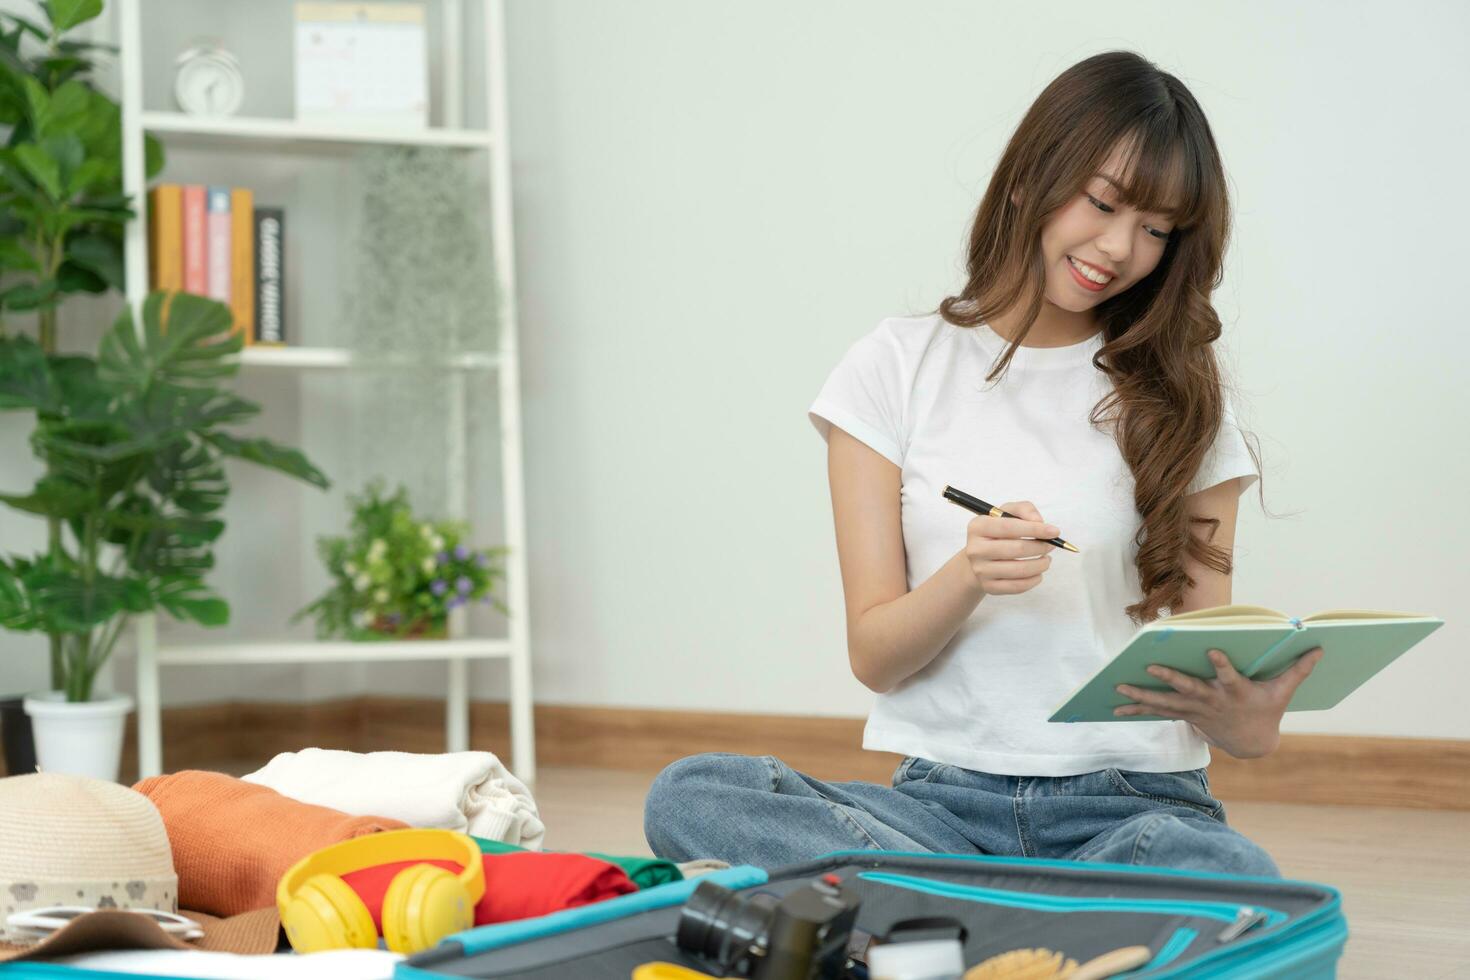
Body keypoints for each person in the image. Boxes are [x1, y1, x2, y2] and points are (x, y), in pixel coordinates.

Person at [643, 50, 1324, 878]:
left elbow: (1232, 718)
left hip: (1134, 808)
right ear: (1031, 177)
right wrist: (967, 574)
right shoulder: (891, 367)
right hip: (934, 810)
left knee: (1227, 871)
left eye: (1156, 229)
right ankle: (1025, 917)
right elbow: (875, 656)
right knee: (693, 793)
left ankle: (945, 923)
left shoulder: (1182, 395)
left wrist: (1249, 720)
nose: (1119, 248)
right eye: (1103, 203)